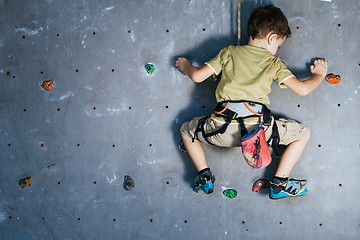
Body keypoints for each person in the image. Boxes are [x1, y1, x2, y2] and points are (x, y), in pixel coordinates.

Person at [176, 5, 328, 199]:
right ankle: (279, 183)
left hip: (219, 131)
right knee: (303, 134)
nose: (276, 49)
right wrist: (319, 75)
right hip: (259, 134)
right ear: (272, 38)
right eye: (278, 45)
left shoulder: (229, 53)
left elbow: (197, 76)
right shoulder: (273, 63)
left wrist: (185, 64)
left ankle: (204, 174)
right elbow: (303, 89)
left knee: (186, 131)